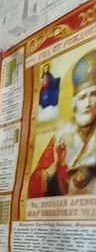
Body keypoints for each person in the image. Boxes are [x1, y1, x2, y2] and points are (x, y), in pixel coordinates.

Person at [29, 49, 96, 197]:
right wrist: (54, 167)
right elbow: (32, 187)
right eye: (82, 97)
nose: (87, 103)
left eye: (93, 95)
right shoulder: (60, 139)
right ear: (74, 103)